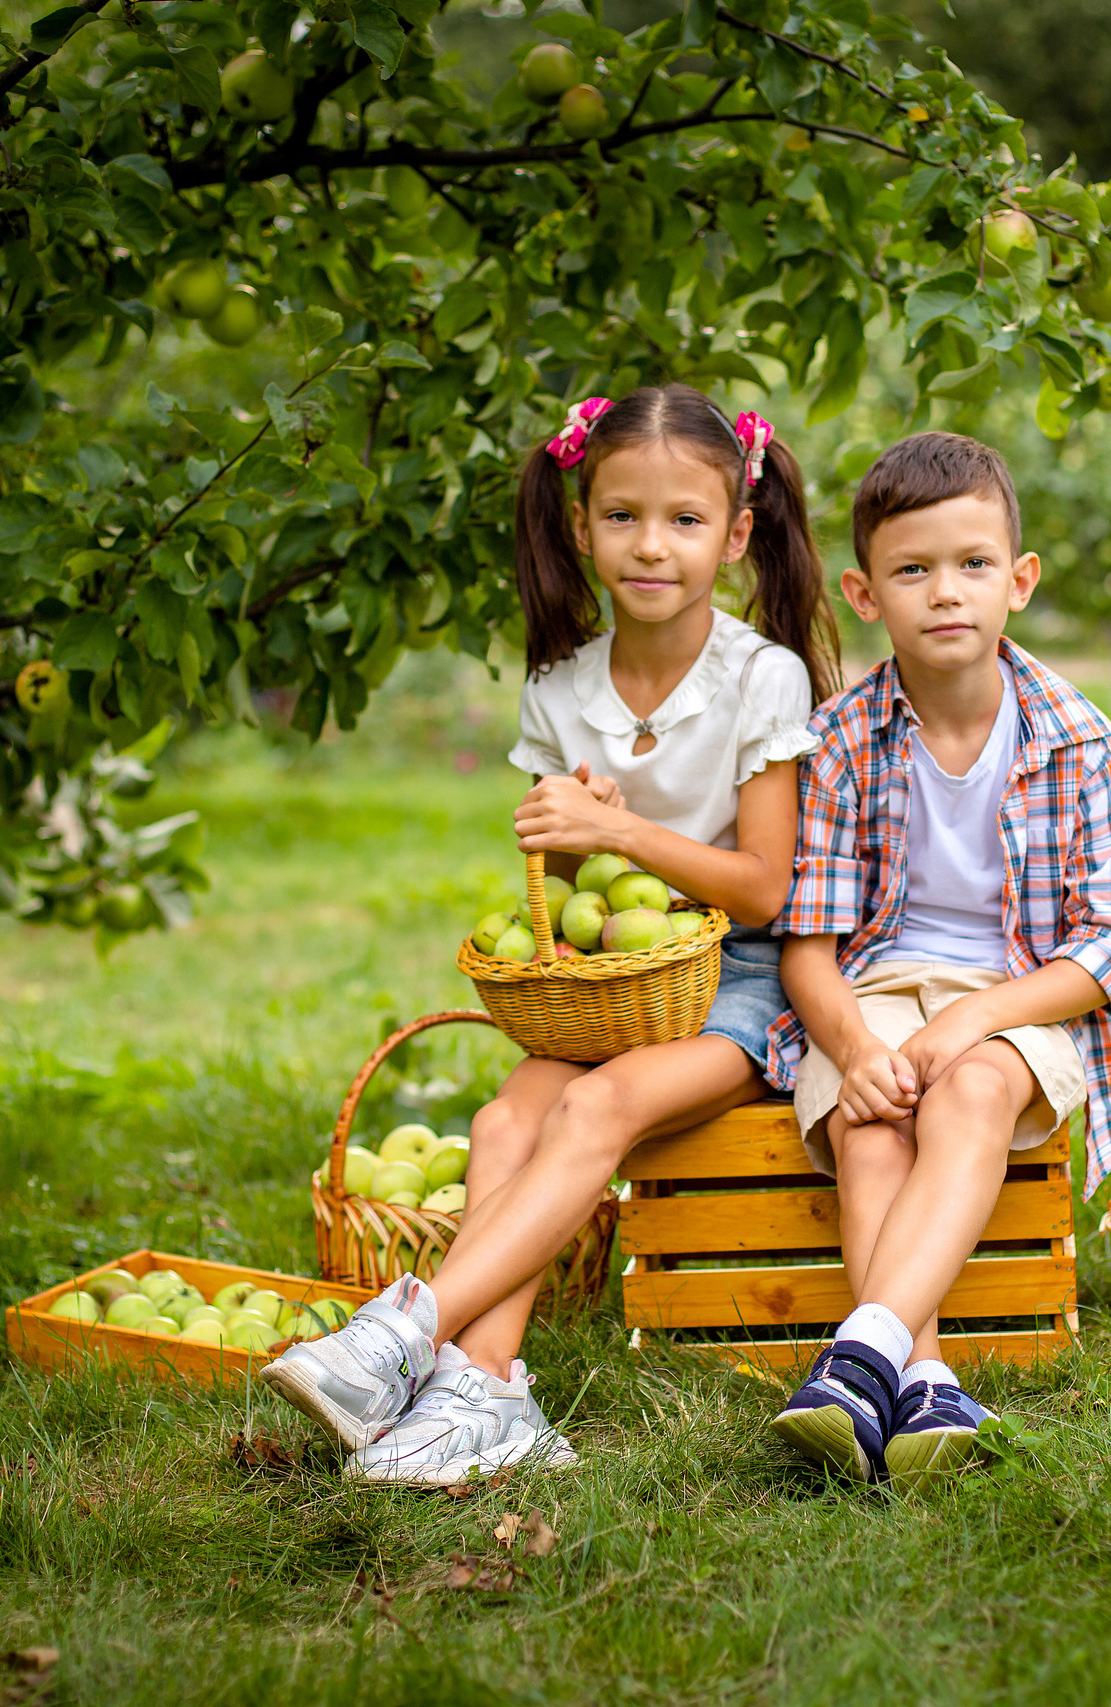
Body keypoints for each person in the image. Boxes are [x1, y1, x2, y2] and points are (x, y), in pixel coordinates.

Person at [261, 385, 838, 1484]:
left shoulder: (761, 675)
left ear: (736, 536)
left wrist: (620, 826)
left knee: (596, 1104)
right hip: (619, 982)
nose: (650, 546)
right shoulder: (560, 687)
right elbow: (577, 893)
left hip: (745, 986)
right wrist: (570, 842)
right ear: (579, 529)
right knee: (498, 1122)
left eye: (683, 521)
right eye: (621, 516)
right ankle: (495, 1394)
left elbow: (765, 888)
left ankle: (402, 1340)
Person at [766, 431, 1111, 1489]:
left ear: (1018, 581)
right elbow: (807, 946)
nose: (947, 593)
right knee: (869, 1117)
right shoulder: (841, 739)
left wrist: (964, 1023)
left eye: (973, 564)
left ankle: (856, 1358)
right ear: (863, 593)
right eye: (913, 570)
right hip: (872, 987)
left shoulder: (1076, 738)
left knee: (971, 1089)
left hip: (1015, 994)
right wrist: (850, 1040)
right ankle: (920, 1376)